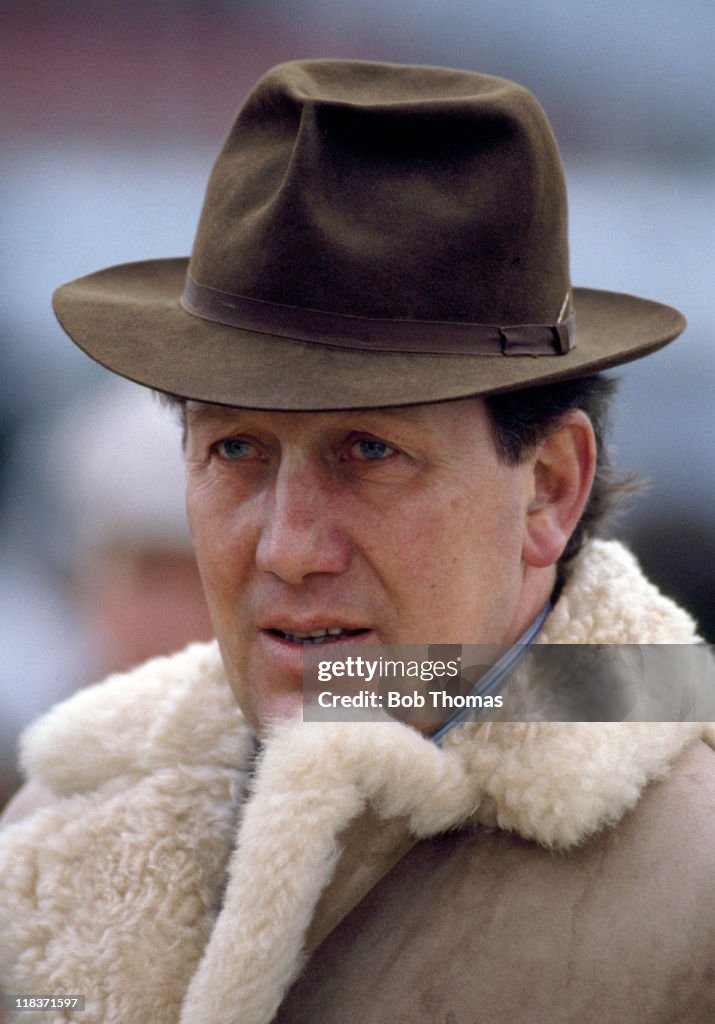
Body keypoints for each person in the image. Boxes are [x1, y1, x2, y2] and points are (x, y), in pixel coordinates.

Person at [1, 59, 714, 1024]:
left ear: (548, 487)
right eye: (236, 448)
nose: (289, 547)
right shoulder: (60, 827)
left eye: (370, 451)